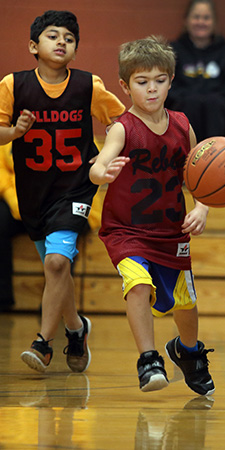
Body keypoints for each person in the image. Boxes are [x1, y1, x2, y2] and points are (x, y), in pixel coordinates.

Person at [0, 10, 125, 372]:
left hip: (75, 188)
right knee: (56, 271)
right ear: (32, 46)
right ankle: (77, 328)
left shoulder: (89, 86)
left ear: (75, 50)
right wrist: (15, 132)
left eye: (69, 39)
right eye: (53, 36)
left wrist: (108, 157)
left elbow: (121, 123)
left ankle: (43, 343)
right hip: (34, 192)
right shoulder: (13, 85)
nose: (61, 42)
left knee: (56, 263)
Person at [89, 36, 215, 395]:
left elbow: (199, 175)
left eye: (159, 80)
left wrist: (201, 207)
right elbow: (98, 167)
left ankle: (187, 352)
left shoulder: (182, 125)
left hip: (171, 232)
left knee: (186, 305)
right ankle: (149, 359)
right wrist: (102, 173)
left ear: (171, 81)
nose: (151, 89)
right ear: (125, 86)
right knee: (138, 285)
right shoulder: (121, 128)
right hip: (126, 231)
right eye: (142, 82)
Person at [166, 0, 225, 142]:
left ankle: (215, 156)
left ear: (214, 22)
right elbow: (165, 83)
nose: (201, 22)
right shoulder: (172, 51)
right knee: (191, 103)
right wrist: (189, 98)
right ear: (186, 20)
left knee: (213, 103)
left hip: (217, 114)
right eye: (196, 17)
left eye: (206, 18)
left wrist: (210, 98)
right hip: (183, 109)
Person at [0, 143, 26, 312]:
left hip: (55, 202)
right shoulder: (4, 131)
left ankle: (58, 303)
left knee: (65, 230)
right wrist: (17, 202)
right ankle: (3, 297)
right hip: (18, 203)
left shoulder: (72, 122)